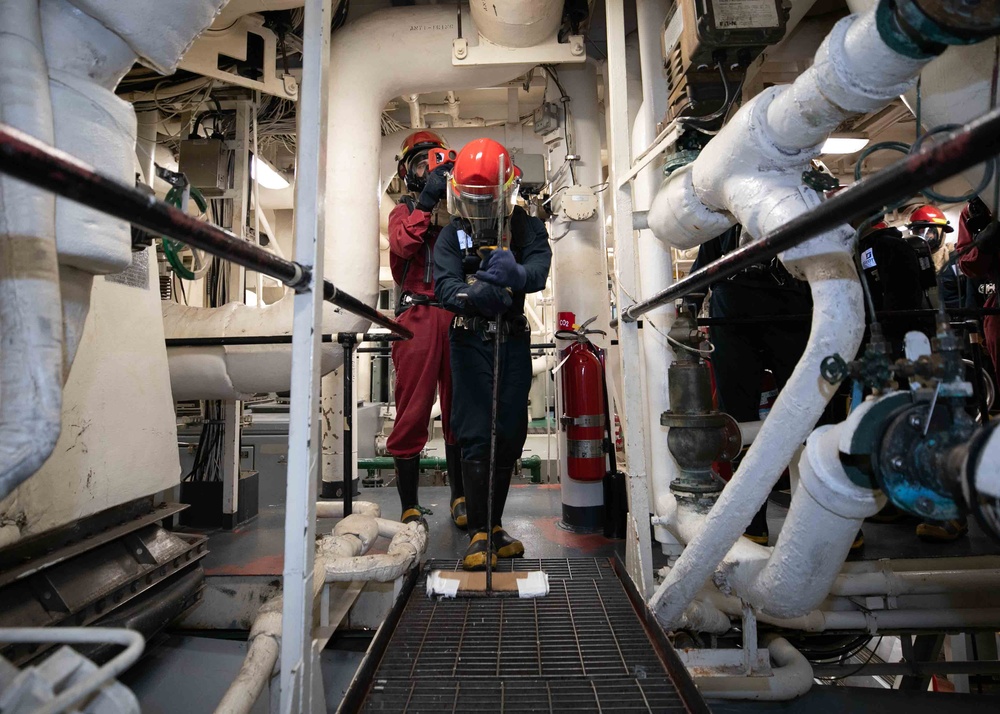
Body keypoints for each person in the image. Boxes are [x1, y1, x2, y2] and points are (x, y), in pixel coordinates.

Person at [433, 138, 552, 570]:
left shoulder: (524, 227)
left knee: (509, 432)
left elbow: (539, 269)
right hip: (468, 341)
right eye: (472, 201)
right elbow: (444, 287)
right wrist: (472, 295)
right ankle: (479, 531)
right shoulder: (452, 233)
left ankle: (496, 525)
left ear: (507, 190)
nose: (480, 211)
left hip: (512, 339)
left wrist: (517, 274)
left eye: (487, 201)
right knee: (477, 431)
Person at [386, 131, 464, 529]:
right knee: (413, 411)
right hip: (417, 319)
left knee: (459, 410)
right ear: (408, 172)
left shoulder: (459, 214)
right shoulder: (402, 212)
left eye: (436, 164)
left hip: (457, 316)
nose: (430, 171)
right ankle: (410, 505)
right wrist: (427, 202)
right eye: (422, 165)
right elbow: (403, 245)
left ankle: (460, 498)